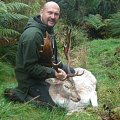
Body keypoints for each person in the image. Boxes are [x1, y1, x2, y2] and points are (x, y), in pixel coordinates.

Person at [4, 1, 75, 107]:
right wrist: (54, 73)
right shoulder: (33, 36)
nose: (53, 16)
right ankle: (21, 95)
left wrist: (59, 66)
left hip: (44, 68)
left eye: (56, 14)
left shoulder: (47, 29)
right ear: (42, 12)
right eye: (50, 13)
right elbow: (30, 67)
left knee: (72, 72)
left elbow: (50, 57)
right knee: (54, 106)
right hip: (29, 79)